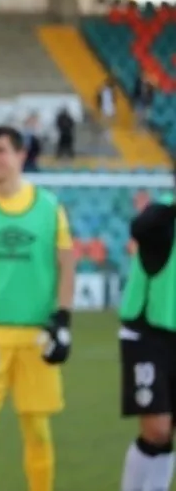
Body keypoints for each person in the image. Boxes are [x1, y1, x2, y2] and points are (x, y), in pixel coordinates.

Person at [0, 125, 76, 491]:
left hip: (37, 337)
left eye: (0, 150)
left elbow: (67, 264)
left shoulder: (49, 206)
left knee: (37, 431)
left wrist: (64, 319)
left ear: (21, 155)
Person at [118, 184, 176, 491]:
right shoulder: (162, 215)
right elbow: (141, 228)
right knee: (157, 429)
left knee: (166, 434)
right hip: (148, 334)